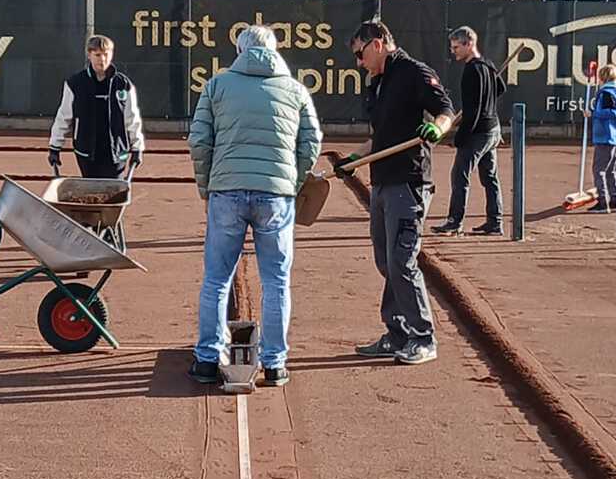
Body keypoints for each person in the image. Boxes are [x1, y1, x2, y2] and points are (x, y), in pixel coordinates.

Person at [188, 25, 322, 391]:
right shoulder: (295, 90)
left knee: (217, 279)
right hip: (275, 195)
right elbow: (312, 142)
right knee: (276, 282)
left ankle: (206, 361)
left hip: (226, 192)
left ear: (239, 49)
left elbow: (199, 141)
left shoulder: (216, 86)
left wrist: (207, 186)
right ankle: (275, 364)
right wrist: (292, 183)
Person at [341, 20, 455, 366]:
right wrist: (354, 158)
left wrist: (436, 128)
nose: (359, 63)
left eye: (360, 54)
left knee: (401, 261)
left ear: (377, 43)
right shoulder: (376, 83)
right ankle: (397, 333)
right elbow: (382, 137)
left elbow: (446, 110)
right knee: (384, 261)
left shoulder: (413, 72)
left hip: (409, 182)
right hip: (382, 182)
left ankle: (424, 338)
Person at [432, 26, 506, 236]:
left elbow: (472, 111)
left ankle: (455, 222)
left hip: (480, 132)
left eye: (456, 47)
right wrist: (489, 99)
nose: (453, 51)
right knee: (489, 176)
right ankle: (495, 221)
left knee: (460, 175)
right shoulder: (488, 65)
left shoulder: (472, 70)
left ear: (469, 44)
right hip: (493, 129)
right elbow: (501, 88)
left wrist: (460, 138)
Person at [48, 34, 144, 179]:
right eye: (97, 55)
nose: (102, 59)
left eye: (106, 54)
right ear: (89, 55)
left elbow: (132, 118)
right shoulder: (75, 84)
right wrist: (55, 147)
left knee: (113, 190)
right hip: (86, 151)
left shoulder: (123, 84)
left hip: (116, 151)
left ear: (112, 54)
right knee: (91, 190)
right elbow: (64, 117)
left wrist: (137, 147)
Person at [585, 62, 616, 213]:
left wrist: (593, 114)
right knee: (610, 170)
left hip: (606, 137)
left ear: (602, 78)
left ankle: (604, 202)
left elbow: (611, 112)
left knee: (599, 169)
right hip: (614, 137)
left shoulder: (606, 94)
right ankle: (615, 200)